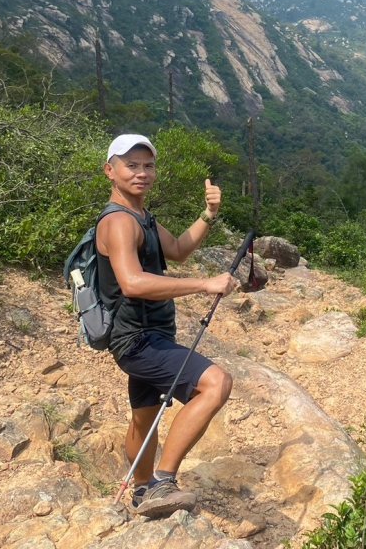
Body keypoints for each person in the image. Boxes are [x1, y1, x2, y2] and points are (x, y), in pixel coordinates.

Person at [95, 133, 238, 518]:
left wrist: (208, 214)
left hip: (148, 336)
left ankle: (142, 492)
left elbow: (177, 250)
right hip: (137, 340)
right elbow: (133, 282)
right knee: (216, 383)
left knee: (145, 417)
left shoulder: (142, 217)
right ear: (111, 171)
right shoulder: (120, 223)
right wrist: (204, 284)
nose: (141, 173)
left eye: (148, 165)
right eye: (131, 165)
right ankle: (162, 482)